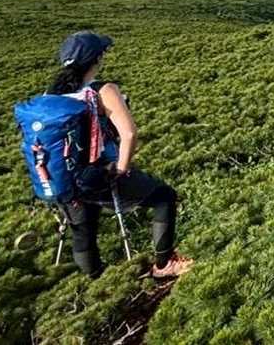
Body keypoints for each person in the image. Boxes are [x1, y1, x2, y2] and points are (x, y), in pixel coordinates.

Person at [47, 30, 193, 279]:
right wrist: (121, 169)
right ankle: (164, 264)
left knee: (83, 230)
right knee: (163, 196)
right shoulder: (102, 90)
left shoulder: (49, 97)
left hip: (62, 177)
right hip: (98, 173)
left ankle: (97, 282)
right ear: (96, 58)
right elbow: (129, 134)